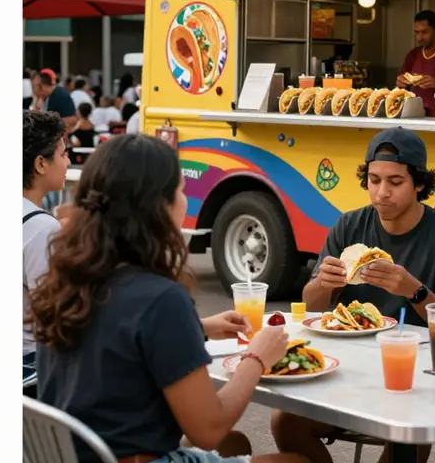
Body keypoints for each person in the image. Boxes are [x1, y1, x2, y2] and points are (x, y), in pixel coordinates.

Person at [29, 134, 309, 463]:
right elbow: (209, 428)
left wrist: (199, 327)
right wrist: (257, 358)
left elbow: (117, 337)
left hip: (72, 456)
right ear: (158, 207)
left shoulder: (66, 280)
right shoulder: (160, 299)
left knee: (233, 445)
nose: (186, 202)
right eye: (180, 191)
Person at [271, 127, 435, 463]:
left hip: (418, 376)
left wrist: (413, 290)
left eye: (395, 182)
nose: (382, 192)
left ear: (420, 184)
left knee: (409, 435)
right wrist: (324, 283)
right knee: (285, 421)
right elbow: (309, 308)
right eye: (374, 180)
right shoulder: (349, 226)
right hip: (347, 368)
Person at [23, 111, 69, 393]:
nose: (68, 162)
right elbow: (54, 319)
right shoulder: (41, 228)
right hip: (31, 370)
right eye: (63, 154)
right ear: (41, 163)